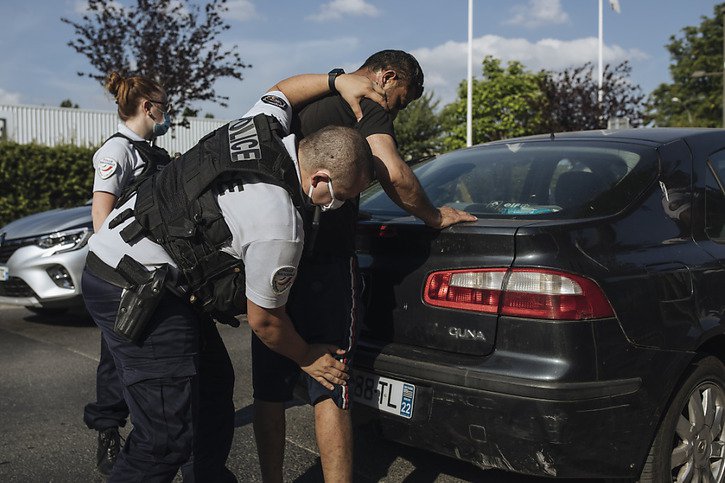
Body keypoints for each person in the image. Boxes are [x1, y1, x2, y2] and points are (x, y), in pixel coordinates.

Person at [81, 72, 384, 482]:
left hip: (152, 272)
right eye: (342, 198)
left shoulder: (260, 126)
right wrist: (309, 357)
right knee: (164, 438)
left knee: (212, 389)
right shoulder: (281, 225)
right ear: (320, 180)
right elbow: (265, 321)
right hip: (134, 286)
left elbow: (282, 92)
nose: (339, 207)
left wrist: (336, 80)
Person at [252, 50, 477, 483]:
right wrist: (435, 216)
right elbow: (393, 172)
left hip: (274, 255)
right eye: (402, 100)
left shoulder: (306, 96)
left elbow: (275, 92)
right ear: (387, 77)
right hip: (326, 266)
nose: (396, 109)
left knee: (269, 388)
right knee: (331, 382)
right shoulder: (369, 105)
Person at [84, 71, 173, 476]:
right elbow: (101, 217)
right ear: (146, 107)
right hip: (125, 276)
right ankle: (108, 430)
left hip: (154, 275)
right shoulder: (116, 152)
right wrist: (126, 273)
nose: (168, 112)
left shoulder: (155, 151)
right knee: (114, 360)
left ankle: (154, 432)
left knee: (142, 359)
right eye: (164, 105)